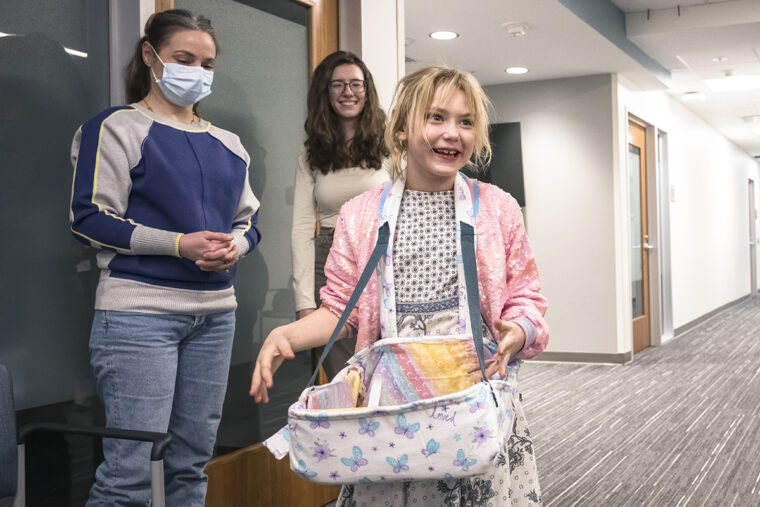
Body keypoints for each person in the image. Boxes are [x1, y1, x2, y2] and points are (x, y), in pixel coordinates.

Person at [251, 66, 547, 506]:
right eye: (436, 117)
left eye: (466, 122)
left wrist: (519, 330)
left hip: (473, 401)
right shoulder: (359, 216)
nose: (453, 133)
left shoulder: (498, 208)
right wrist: (286, 334)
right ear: (402, 130)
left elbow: (526, 295)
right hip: (393, 411)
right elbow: (339, 309)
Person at [69, 9, 261, 506]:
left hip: (215, 317)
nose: (196, 71)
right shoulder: (116, 128)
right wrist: (179, 244)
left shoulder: (230, 145)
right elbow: (89, 218)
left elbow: (248, 222)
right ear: (149, 55)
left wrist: (235, 246)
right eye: (183, 59)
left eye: (206, 63)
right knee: (130, 474)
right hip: (138, 316)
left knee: (191, 466)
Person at [291, 51, 390, 378]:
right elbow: (303, 227)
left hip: (385, 255)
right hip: (331, 260)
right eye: (338, 85)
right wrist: (304, 299)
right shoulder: (311, 151)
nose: (348, 92)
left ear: (367, 89)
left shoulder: (392, 141)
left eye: (356, 84)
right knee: (344, 371)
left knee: (389, 359)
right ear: (326, 92)